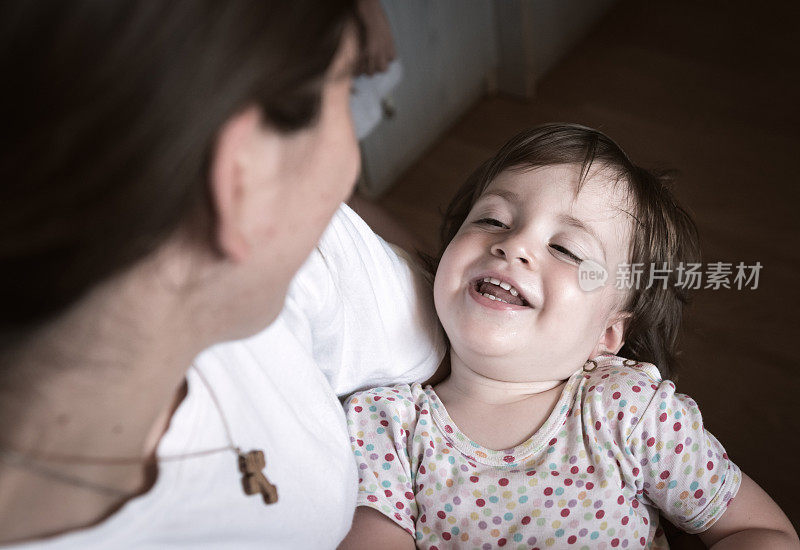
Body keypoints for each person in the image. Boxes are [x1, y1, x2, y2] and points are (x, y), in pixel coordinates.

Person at [0, 2, 443, 548]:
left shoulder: (306, 261)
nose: (349, 160)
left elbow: (445, 325)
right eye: (346, 93)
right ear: (242, 180)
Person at [339, 124, 799, 549]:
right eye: (492, 220)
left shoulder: (630, 411)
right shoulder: (387, 425)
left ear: (608, 332)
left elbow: (763, 532)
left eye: (565, 249)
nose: (513, 244)